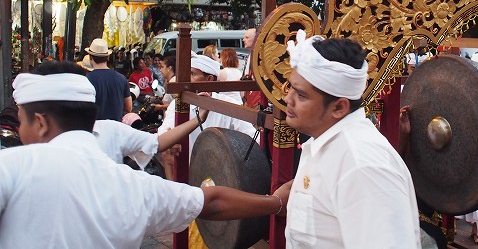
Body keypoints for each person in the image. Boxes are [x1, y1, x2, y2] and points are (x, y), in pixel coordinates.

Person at [1, 61, 291, 248]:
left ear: (40, 123)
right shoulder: (135, 186)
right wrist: (276, 202)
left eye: (22, 122)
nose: (20, 131)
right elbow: (212, 202)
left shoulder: (10, 168)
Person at [283, 30, 421, 247]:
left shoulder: (362, 165)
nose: (287, 98)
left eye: (301, 95)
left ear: (339, 107)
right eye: (291, 87)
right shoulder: (328, 146)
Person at [158, 52, 256, 157]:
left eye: (192, 74)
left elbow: (252, 138)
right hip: (189, 170)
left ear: (209, 79)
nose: (187, 80)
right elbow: (162, 135)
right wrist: (169, 145)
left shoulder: (229, 105)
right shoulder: (177, 104)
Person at [86, 38, 132, 121]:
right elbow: (129, 108)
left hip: (94, 127)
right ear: (107, 57)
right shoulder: (121, 78)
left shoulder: (86, 79)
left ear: (90, 57)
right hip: (116, 128)